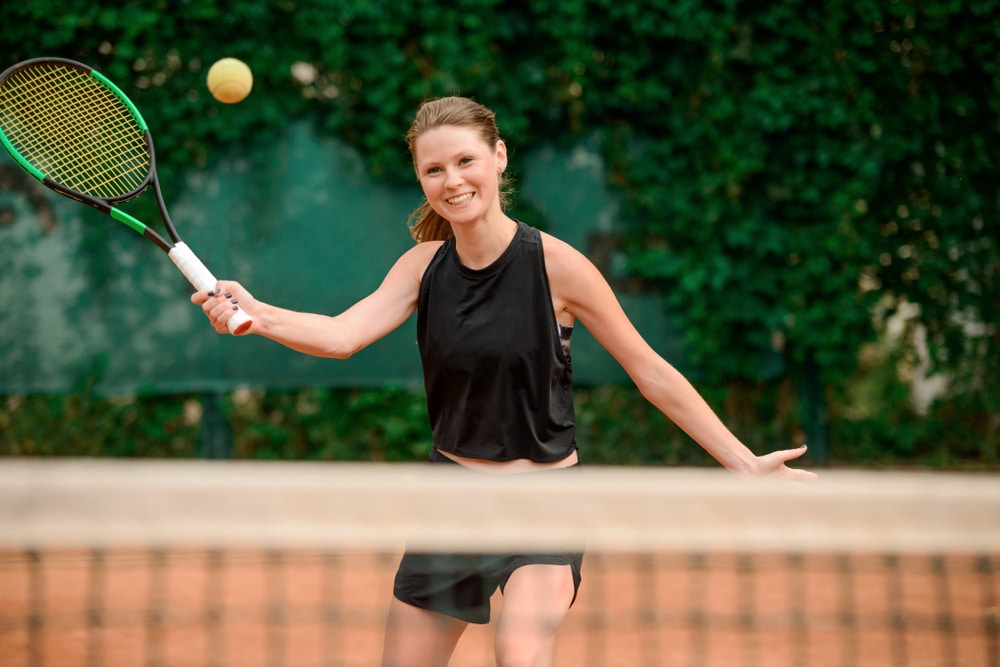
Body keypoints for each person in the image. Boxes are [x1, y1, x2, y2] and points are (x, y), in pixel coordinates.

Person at [192, 96, 817, 667]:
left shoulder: (559, 266)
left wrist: (741, 462)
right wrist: (260, 315)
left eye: (465, 161)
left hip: (545, 505)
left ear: (498, 157)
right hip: (451, 504)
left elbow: (649, 370)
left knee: (519, 653)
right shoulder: (421, 267)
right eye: (434, 170)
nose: (452, 180)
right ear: (420, 179)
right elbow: (341, 335)